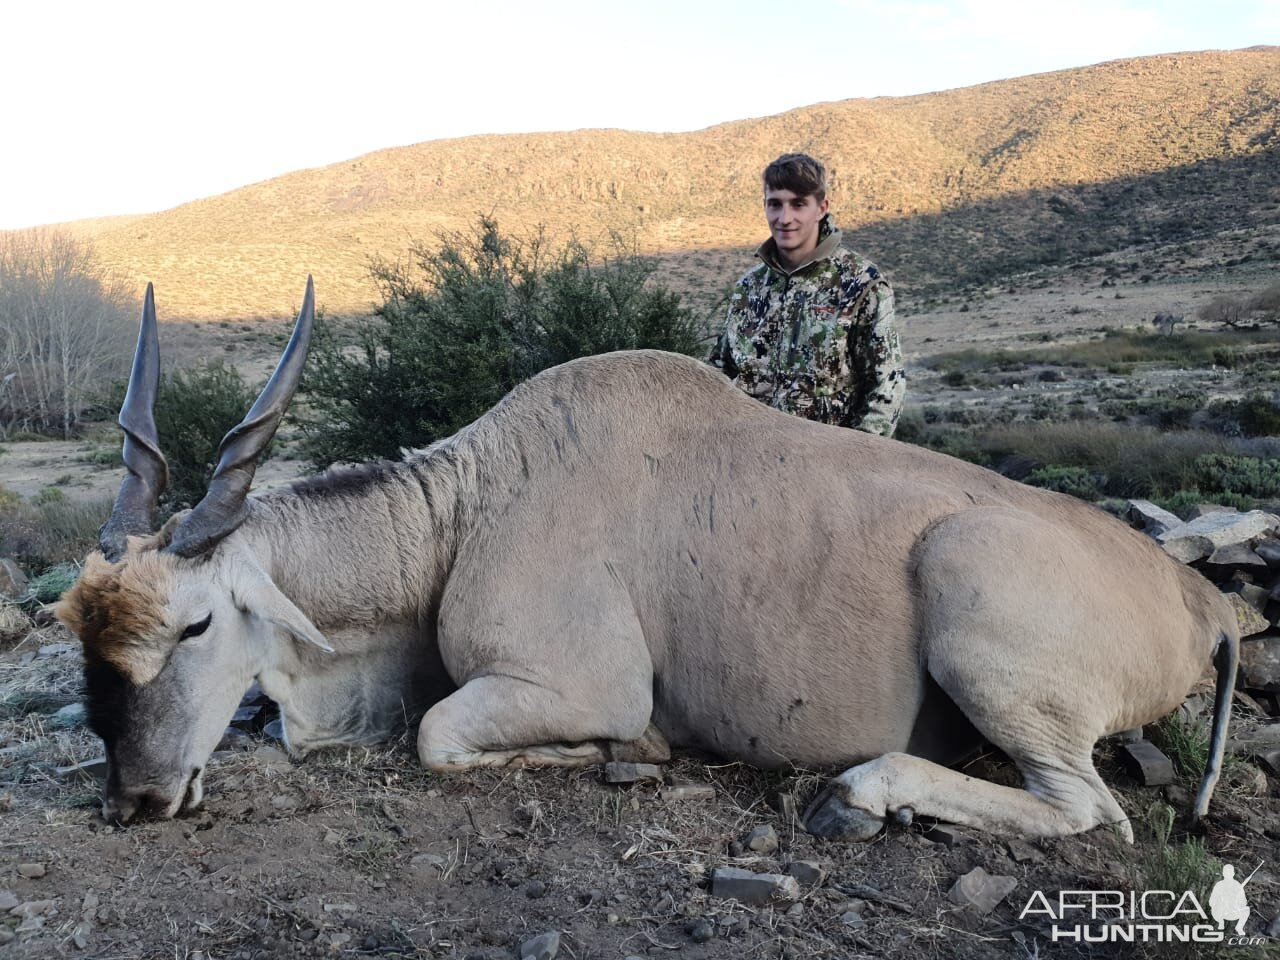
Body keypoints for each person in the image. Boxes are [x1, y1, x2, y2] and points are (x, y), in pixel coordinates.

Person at [710, 153, 904, 436]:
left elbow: (888, 384)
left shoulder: (862, 283)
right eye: (775, 205)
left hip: (828, 466)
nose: (785, 218)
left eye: (798, 204)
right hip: (748, 458)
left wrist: (857, 461)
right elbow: (720, 373)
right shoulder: (749, 287)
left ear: (821, 208)